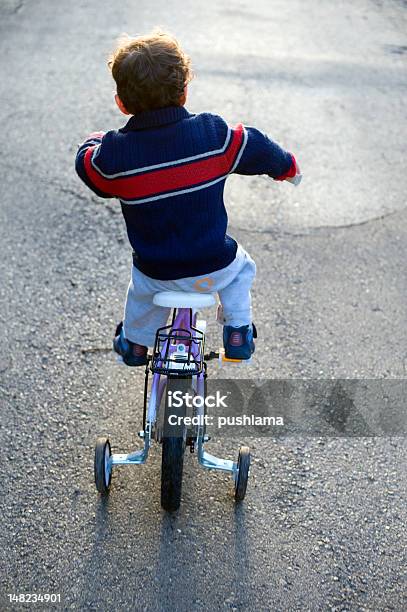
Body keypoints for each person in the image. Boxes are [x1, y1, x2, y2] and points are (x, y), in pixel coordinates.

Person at [75, 28, 301, 366]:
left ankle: (136, 344)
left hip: (156, 270)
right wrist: (287, 168)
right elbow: (257, 147)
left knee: (141, 296)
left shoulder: (114, 156)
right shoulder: (214, 134)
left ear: (121, 103)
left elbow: (88, 168)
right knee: (242, 270)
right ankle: (238, 331)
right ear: (184, 93)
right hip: (213, 264)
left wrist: (94, 141)